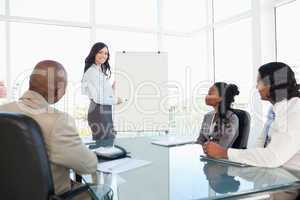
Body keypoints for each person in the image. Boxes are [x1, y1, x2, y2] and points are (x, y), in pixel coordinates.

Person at [0, 60, 97, 199]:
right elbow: (88, 166)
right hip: (53, 196)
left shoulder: (3, 111)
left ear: (31, 83)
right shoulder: (59, 121)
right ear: (58, 89)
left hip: (8, 193)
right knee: (99, 192)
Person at [203, 62, 300, 200]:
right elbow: (260, 147)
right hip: (276, 180)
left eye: (259, 82)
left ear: (272, 84)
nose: (256, 87)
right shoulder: (276, 111)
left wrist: (224, 153)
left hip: (291, 184)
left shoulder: (295, 112)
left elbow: (272, 157)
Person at [82, 42, 122, 144]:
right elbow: (99, 98)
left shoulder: (99, 71)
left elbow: (103, 94)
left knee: (108, 143)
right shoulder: (92, 72)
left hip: (104, 111)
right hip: (98, 111)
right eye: (100, 52)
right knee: (104, 146)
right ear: (94, 53)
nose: (104, 55)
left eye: (106, 53)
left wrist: (112, 88)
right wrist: (117, 100)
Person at [197, 82, 240, 148]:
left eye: (210, 94)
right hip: (205, 155)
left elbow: (222, 146)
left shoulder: (232, 118)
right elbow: (200, 141)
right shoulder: (208, 116)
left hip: (221, 157)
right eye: (208, 94)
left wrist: (205, 147)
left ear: (221, 98)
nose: (207, 96)